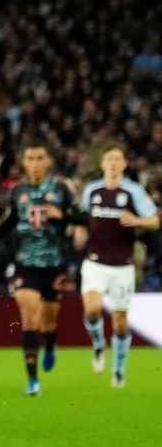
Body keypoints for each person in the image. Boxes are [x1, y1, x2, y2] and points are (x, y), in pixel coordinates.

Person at [0, 143, 86, 395]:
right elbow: (11, 221)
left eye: (40, 158)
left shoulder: (61, 188)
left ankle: (50, 344)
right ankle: (33, 380)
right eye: (30, 158)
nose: (35, 163)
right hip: (25, 263)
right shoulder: (17, 191)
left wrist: (64, 216)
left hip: (55, 264)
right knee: (30, 319)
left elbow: (83, 217)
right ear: (23, 162)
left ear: (48, 161)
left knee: (48, 322)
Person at [78, 145, 158, 387]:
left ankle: (119, 368)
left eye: (117, 159)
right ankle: (99, 344)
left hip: (122, 265)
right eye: (109, 158)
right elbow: (83, 218)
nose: (113, 163)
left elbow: (154, 220)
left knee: (121, 322)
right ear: (103, 164)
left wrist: (137, 220)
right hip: (94, 262)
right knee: (92, 310)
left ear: (124, 164)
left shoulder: (132, 191)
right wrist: (79, 233)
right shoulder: (92, 190)